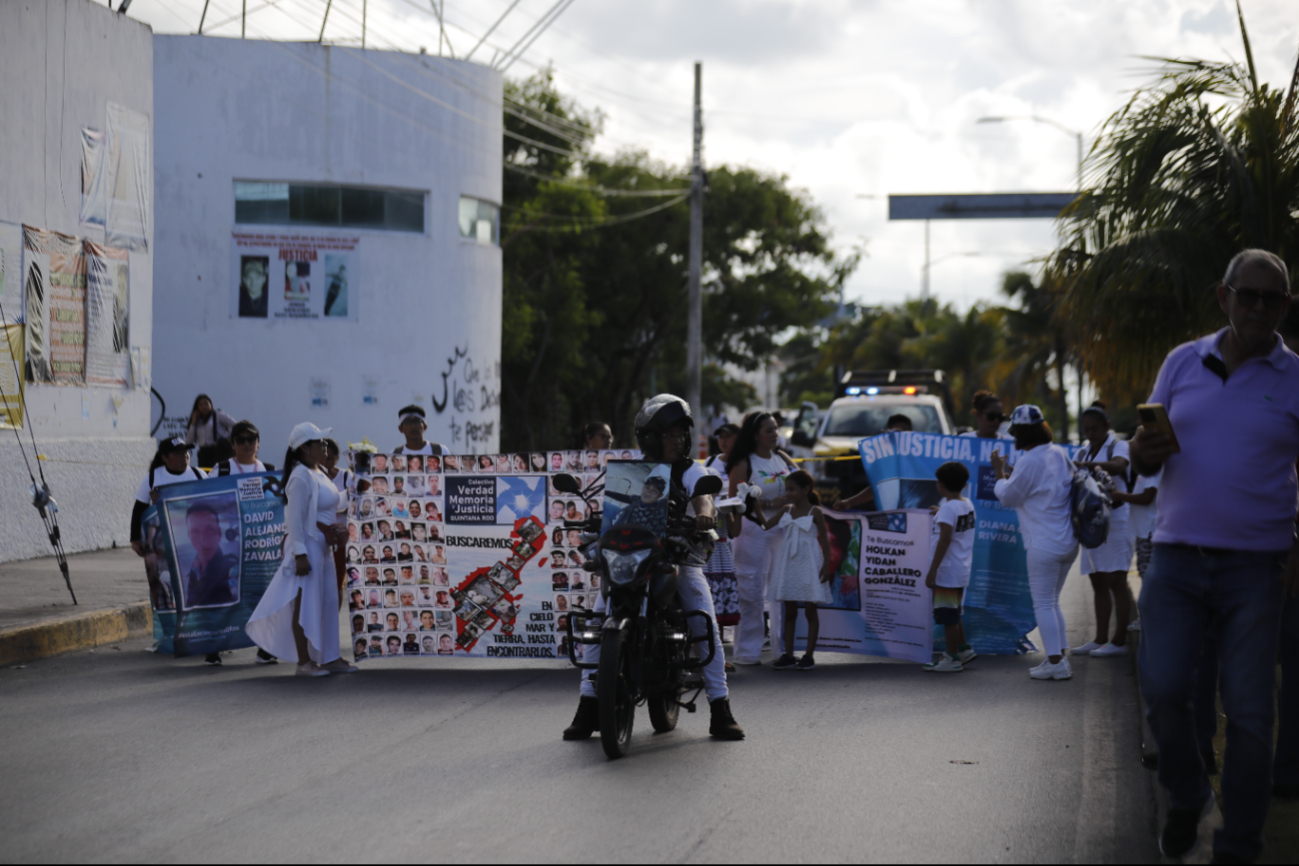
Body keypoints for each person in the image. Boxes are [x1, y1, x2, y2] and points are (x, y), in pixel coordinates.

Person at [1128, 249, 1299, 862]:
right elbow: (1147, 457)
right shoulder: (1182, 362)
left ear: (1286, 306)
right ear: (1222, 296)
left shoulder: (1295, 376)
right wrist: (1142, 447)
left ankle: (1240, 843)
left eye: (1271, 298)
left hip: (1256, 567)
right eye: (1246, 294)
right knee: (1165, 689)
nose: (1258, 307)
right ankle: (1187, 792)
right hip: (1175, 558)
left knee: (1251, 713)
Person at [563, 394, 744, 742]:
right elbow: (612, 510)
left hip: (677, 558)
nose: (677, 440)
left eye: (681, 433)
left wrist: (704, 512)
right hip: (630, 558)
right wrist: (592, 524)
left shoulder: (692, 470)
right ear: (648, 438)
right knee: (599, 620)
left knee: (701, 617)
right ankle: (587, 705)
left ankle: (721, 708)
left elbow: (702, 495)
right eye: (668, 434)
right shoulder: (630, 471)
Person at [245, 423, 357, 677]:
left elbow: (334, 503)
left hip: (324, 546)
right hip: (308, 545)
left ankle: (330, 658)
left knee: (328, 602)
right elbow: (293, 519)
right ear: (305, 448)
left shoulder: (317, 472)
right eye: (319, 441)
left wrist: (354, 489)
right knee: (306, 604)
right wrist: (300, 555)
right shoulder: (300, 476)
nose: (325, 445)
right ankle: (305, 663)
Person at [990, 404, 1077, 681]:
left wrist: (998, 472)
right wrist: (1012, 474)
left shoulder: (1030, 460)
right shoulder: (1058, 453)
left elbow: (1007, 496)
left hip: (1044, 543)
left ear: (1023, 432)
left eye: (1015, 430)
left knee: (1043, 603)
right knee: (1052, 601)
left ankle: (1056, 662)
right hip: (1067, 541)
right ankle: (1059, 657)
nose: (1012, 435)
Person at [726, 411, 797, 665]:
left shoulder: (781, 458)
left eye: (776, 429)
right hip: (753, 531)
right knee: (751, 589)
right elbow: (734, 500)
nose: (775, 434)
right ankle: (747, 651)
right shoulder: (745, 462)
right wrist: (767, 502)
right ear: (755, 436)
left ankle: (782, 651)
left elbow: (803, 483)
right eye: (769, 430)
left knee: (780, 590)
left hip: (782, 531)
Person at [1072, 402, 1134, 658]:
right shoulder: (1084, 451)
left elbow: (1119, 466)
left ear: (1107, 426)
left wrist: (1085, 467)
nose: (1090, 435)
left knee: (1116, 579)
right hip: (1093, 524)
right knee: (1097, 580)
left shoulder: (1118, 445)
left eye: (1095, 429)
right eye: (1086, 430)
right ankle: (1099, 639)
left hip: (1118, 521)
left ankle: (1119, 641)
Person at [758, 470, 833, 671]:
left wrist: (826, 564)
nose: (788, 493)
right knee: (789, 611)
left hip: (808, 561)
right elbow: (766, 525)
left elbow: (825, 539)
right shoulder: (786, 510)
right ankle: (788, 654)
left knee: (810, 610)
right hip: (789, 562)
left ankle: (809, 655)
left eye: (792, 489)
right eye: (786, 489)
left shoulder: (815, 511)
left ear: (806, 490)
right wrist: (756, 505)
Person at [921, 462, 978, 672]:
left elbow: (944, 540)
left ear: (941, 485)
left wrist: (933, 569)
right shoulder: (967, 504)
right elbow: (955, 521)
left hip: (946, 571)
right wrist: (940, 512)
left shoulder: (948, 509)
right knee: (954, 612)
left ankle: (951, 658)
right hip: (960, 570)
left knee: (947, 615)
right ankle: (963, 649)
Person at [704, 423, 742, 668]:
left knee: (715, 608)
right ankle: (697, 655)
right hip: (702, 553)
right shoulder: (706, 465)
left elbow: (735, 530)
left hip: (722, 553)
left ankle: (714, 658)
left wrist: (736, 509)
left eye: (729, 437)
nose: (724, 441)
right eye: (721, 437)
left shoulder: (743, 463)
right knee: (701, 603)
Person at [832, 414, 918, 511]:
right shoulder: (888, 460)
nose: (897, 436)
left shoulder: (922, 456)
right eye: (894, 433)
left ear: (911, 434)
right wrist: (848, 502)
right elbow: (879, 487)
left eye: (902, 433)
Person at [321, 438, 352, 610]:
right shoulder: (314, 476)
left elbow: (353, 506)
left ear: (337, 458)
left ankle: (334, 620)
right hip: (319, 537)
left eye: (331, 458)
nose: (327, 462)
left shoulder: (346, 476)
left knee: (337, 584)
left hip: (340, 540)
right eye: (324, 458)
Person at [185, 394, 237, 469]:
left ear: (211, 405)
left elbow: (235, 425)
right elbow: (189, 441)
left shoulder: (218, 415)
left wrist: (223, 437)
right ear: (197, 407)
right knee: (206, 476)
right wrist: (193, 423)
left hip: (219, 451)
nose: (203, 407)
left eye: (206, 403)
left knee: (220, 474)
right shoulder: (197, 421)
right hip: (204, 453)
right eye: (200, 404)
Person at [206, 420, 273, 476]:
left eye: (251, 439)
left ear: (258, 443)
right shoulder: (220, 470)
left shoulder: (269, 471)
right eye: (240, 439)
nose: (246, 443)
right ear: (233, 445)